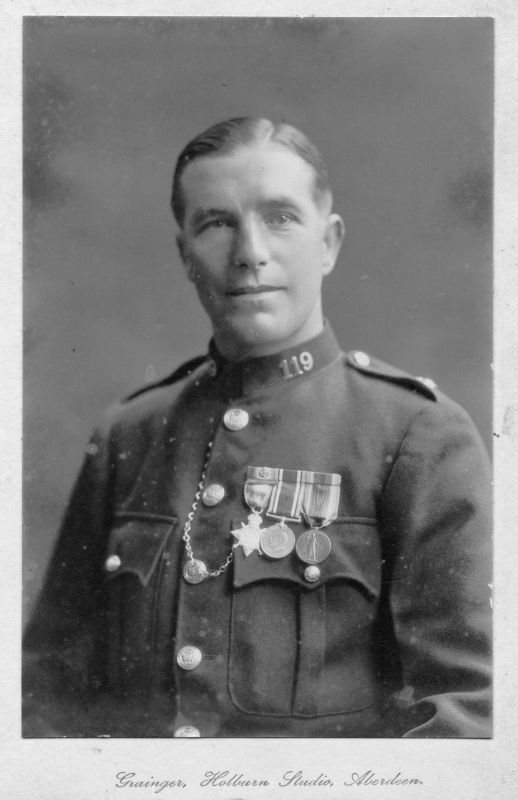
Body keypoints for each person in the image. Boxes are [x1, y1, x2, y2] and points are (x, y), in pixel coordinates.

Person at [23, 116, 491, 738]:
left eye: (280, 217)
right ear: (185, 254)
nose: (250, 252)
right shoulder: (128, 434)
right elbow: (43, 695)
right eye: (216, 223)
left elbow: (469, 713)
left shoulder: (419, 435)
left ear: (328, 242)